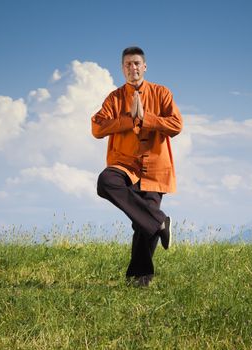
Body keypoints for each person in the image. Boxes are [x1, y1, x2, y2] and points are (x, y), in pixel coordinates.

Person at [91, 46, 183, 287]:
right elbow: (97, 128)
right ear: (122, 69)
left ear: (145, 67)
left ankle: (138, 279)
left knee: (145, 225)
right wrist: (128, 120)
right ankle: (159, 221)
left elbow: (176, 125)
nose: (133, 68)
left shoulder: (162, 93)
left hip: (155, 168)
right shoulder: (114, 98)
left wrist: (146, 119)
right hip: (124, 166)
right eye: (128, 64)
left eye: (136, 64)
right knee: (105, 181)